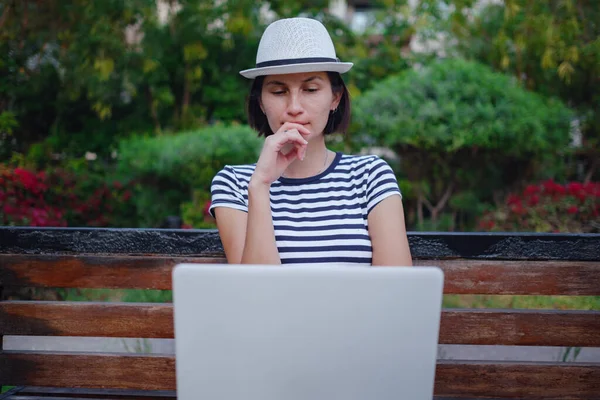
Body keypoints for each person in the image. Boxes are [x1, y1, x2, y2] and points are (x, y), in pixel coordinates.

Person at [209, 17, 412, 267]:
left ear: (335, 97)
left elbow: (395, 290)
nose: (294, 107)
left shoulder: (370, 176)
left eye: (311, 89)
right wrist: (260, 185)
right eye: (278, 91)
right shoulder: (236, 184)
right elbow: (256, 293)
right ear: (260, 102)